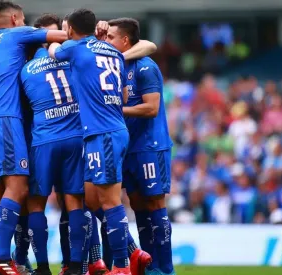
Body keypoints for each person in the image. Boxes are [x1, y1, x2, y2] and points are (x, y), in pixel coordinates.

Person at [0, 1, 69, 275]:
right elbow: (64, 37)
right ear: (15, 18)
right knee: (19, 188)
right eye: (25, 19)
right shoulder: (18, 33)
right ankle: (2, 257)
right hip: (5, 119)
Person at [49, 8, 133, 275]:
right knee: (93, 200)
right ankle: (132, 252)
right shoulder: (114, 52)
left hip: (102, 134)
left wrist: (59, 34)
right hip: (115, 129)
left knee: (110, 201)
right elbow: (124, 96)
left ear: (71, 30)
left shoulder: (74, 48)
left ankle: (121, 265)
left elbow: (53, 50)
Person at [106, 18, 175, 275]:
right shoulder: (115, 68)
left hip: (150, 145)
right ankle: (148, 265)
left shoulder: (145, 67)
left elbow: (152, 107)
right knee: (137, 207)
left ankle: (165, 268)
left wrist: (116, 109)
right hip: (128, 147)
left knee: (156, 204)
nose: (107, 41)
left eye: (111, 37)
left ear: (125, 40)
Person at [20, 13, 85, 275]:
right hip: (74, 137)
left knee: (36, 203)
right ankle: (76, 266)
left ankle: (43, 268)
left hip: (44, 140)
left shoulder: (25, 69)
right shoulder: (73, 60)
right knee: (74, 202)